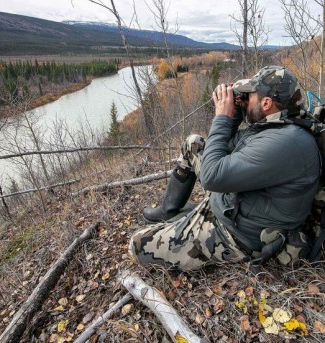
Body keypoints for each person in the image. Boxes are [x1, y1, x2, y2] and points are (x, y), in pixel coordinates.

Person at [128, 66, 320, 271]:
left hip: (240, 234)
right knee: (194, 143)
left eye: (251, 95)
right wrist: (236, 114)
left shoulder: (285, 142)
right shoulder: (277, 124)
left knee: (137, 244)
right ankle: (168, 210)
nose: (246, 98)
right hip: (234, 204)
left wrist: (222, 117)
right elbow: (226, 149)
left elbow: (212, 176)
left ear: (266, 103)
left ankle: (189, 227)